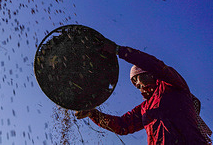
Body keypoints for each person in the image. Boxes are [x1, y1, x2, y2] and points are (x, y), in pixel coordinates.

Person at [75, 43, 212, 144]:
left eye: (137, 78)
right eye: (134, 83)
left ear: (149, 74)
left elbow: (155, 65)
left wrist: (120, 51)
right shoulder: (145, 108)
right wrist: (93, 114)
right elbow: (123, 125)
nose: (137, 85)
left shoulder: (172, 86)